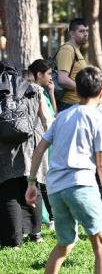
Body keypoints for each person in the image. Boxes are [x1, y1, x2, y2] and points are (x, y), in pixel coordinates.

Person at [25, 66, 102, 274]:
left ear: (76, 91)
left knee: (65, 244)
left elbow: (39, 149)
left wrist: (32, 182)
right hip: (81, 185)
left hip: (56, 188)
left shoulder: (63, 116)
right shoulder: (99, 118)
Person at [0, 62, 46, 247]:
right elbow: (45, 118)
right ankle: (36, 233)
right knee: (32, 186)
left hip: (5, 149)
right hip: (32, 144)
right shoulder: (33, 88)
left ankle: (13, 240)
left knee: (9, 190)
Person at [28, 60, 57, 229]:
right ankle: (51, 216)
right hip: (42, 139)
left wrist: (52, 93)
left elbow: (52, 113)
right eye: (48, 74)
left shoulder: (37, 90)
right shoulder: (37, 91)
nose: (51, 77)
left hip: (40, 138)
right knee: (43, 178)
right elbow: (47, 120)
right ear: (39, 74)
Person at [56, 18, 89, 111]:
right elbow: (62, 79)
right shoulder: (67, 50)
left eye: (87, 31)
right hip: (69, 105)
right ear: (72, 33)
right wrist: (84, 90)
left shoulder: (76, 50)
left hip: (76, 103)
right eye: (81, 31)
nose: (86, 34)